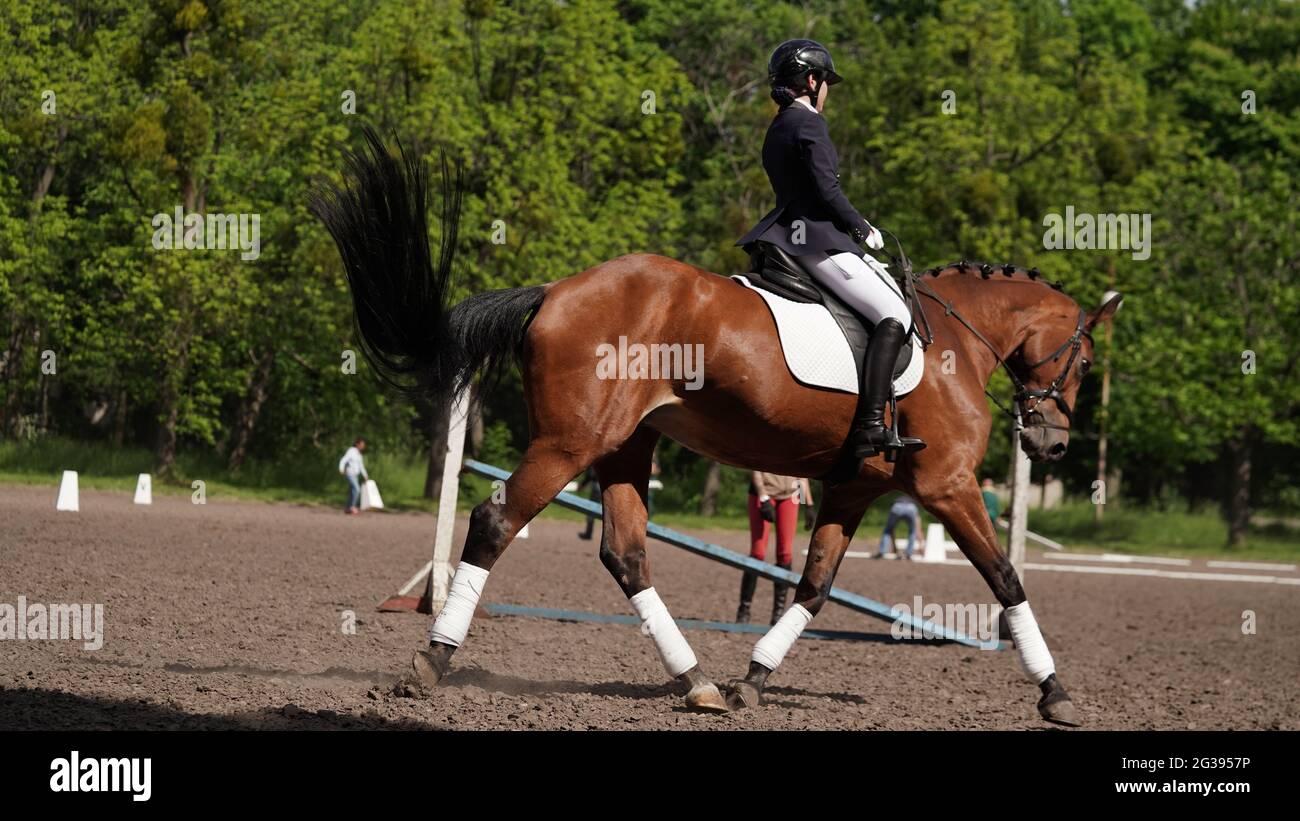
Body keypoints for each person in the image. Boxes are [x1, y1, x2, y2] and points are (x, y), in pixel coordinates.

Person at [738, 39, 923, 459]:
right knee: (894, 314)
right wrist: (861, 228)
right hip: (816, 240)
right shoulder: (810, 124)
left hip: (785, 235)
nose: (829, 93)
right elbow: (827, 189)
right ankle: (871, 425)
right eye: (827, 83)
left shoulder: (778, 125)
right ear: (811, 80)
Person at [737, 472, 813, 625]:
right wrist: (763, 498)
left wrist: (808, 504)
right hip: (764, 494)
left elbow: (801, 473)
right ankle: (744, 610)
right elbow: (756, 467)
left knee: (785, 554)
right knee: (758, 553)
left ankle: (778, 614)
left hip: (790, 496)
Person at [877, 493, 922, 559]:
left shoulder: (898, 498)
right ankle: (909, 553)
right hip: (911, 508)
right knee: (913, 531)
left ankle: (882, 551)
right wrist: (921, 545)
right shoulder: (913, 500)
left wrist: (894, 548)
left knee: (888, 530)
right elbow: (918, 529)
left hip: (897, 507)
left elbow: (892, 530)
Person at [338, 437, 369, 515]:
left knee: (352, 492)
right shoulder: (351, 451)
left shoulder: (359, 454)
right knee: (357, 489)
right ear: (357, 444)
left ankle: (347, 508)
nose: (363, 446)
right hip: (350, 473)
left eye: (363, 445)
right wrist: (341, 469)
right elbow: (344, 459)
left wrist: (365, 475)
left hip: (356, 475)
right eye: (362, 444)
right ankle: (352, 507)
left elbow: (361, 466)